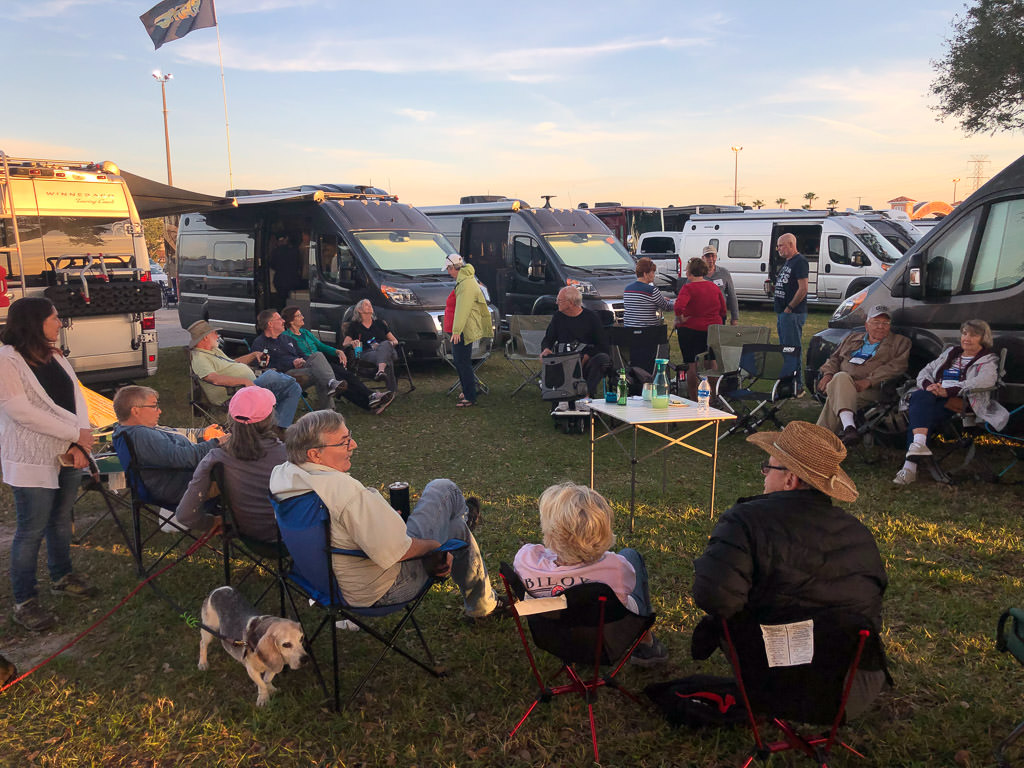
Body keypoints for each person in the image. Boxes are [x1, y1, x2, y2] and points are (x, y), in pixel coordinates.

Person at [692, 421, 888, 718]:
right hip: (850, 690)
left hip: (771, 682)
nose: (764, 474)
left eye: (768, 467)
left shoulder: (744, 521)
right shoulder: (859, 534)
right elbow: (872, 613)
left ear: (790, 480)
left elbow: (714, 597)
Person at [268, 410, 504, 622]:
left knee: (456, 529)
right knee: (442, 489)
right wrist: (435, 546)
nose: (354, 445)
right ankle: (464, 518)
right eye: (344, 441)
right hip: (381, 591)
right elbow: (399, 551)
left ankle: (482, 602)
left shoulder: (282, 476)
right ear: (315, 454)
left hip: (324, 585)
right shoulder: (344, 492)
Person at [0, 297, 97, 631]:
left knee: (60, 519)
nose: (60, 322)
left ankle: (62, 575)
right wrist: (75, 435)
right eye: (55, 317)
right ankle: (25, 601)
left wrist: (81, 439)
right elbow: (20, 411)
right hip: (32, 457)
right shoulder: (7, 360)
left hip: (70, 451)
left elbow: (76, 397)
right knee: (31, 529)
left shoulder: (56, 356)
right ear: (34, 321)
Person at [513, 482, 667, 666]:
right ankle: (647, 644)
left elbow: (539, 551)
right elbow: (627, 586)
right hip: (606, 638)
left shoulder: (525, 561)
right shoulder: (616, 567)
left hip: (555, 637)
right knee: (631, 554)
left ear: (550, 531)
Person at [893, 319, 1009, 486]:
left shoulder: (988, 360)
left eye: (973, 335)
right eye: (964, 334)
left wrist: (949, 390)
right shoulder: (951, 353)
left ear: (983, 338)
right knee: (922, 400)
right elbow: (926, 370)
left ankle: (910, 467)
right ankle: (918, 446)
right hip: (935, 395)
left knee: (919, 411)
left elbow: (985, 381)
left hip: (962, 401)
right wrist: (929, 385)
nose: (967, 338)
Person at [176, 386, 286, 544]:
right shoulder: (290, 455)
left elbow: (185, 515)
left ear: (231, 418)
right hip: (292, 539)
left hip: (247, 536)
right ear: (270, 418)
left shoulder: (216, 457)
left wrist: (212, 522)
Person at [112, 385, 226, 505]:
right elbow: (185, 458)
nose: (159, 411)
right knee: (237, 472)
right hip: (186, 487)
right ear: (136, 411)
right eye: (154, 406)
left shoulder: (131, 430)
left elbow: (177, 434)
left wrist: (204, 434)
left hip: (182, 479)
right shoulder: (142, 435)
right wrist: (218, 443)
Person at [816, 305, 911, 446]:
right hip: (841, 382)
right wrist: (828, 374)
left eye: (885, 323)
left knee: (836, 394)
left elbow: (897, 366)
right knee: (841, 378)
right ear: (867, 325)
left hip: (870, 389)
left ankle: (818, 441)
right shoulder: (852, 338)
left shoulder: (900, 342)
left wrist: (869, 380)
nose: (881, 326)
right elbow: (834, 358)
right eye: (876, 322)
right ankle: (847, 429)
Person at [280, 305, 393, 414]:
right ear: (291, 321)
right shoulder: (286, 336)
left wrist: (337, 351)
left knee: (347, 376)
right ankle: (370, 402)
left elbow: (321, 346)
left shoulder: (305, 333)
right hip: (307, 365)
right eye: (299, 315)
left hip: (321, 362)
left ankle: (372, 397)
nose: (302, 317)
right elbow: (291, 355)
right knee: (339, 381)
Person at [188, 320, 302, 427]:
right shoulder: (200, 358)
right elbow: (214, 378)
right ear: (206, 337)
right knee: (270, 375)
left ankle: (279, 428)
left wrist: (254, 354)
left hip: (247, 387)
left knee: (294, 388)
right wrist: (244, 381)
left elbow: (234, 363)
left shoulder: (213, 351)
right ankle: (293, 378)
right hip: (233, 394)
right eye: (214, 333)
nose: (217, 336)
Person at [251, 309, 342, 412]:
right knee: (320, 371)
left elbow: (303, 355)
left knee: (318, 358)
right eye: (279, 319)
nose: (283, 321)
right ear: (270, 324)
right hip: (283, 375)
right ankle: (330, 403)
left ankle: (329, 404)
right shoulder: (260, 343)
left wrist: (301, 361)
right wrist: (291, 363)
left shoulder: (287, 339)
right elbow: (262, 367)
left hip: (301, 370)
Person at [541, 285, 613, 398]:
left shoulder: (591, 318)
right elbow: (548, 339)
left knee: (603, 358)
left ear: (571, 303)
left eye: (560, 300)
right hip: (564, 359)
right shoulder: (558, 317)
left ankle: (586, 394)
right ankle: (561, 397)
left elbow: (603, 345)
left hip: (586, 359)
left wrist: (588, 355)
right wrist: (546, 349)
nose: (556, 303)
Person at [674, 257, 726, 401]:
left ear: (690, 272)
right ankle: (714, 395)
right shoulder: (714, 287)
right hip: (712, 329)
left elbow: (678, 307)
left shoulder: (688, 288)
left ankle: (694, 397)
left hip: (691, 329)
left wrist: (680, 318)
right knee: (711, 362)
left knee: (692, 364)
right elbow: (723, 309)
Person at [445, 253, 493, 408]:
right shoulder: (465, 280)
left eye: (449, 269)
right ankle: (468, 390)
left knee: (462, 362)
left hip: (462, 330)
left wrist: (456, 331)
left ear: (454, 267)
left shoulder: (465, 283)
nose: (448, 272)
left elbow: (463, 309)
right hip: (462, 328)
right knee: (462, 361)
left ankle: (470, 395)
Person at [622, 256, 672, 374]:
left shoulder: (627, 289)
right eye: (652, 272)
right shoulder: (651, 290)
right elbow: (666, 307)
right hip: (648, 334)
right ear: (645, 274)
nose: (654, 275)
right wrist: (677, 302)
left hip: (630, 333)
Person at [342, 299, 401, 392]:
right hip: (368, 353)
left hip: (387, 349)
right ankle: (391, 391)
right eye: (366, 305)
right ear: (359, 310)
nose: (370, 306)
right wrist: (352, 343)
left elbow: (395, 340)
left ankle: (381, 371)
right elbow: (345, 343)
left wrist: (390, 344)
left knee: (385, 344)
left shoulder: (380, 324)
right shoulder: (354, 326)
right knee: (387, 358)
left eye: (370, 304)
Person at [773, 233, 809, 385]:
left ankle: (796, 385)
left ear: (791, 244)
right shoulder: (788, 262)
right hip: (783, 312)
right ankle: (788, 381)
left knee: (792, 349)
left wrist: (790, 307)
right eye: (778, 246)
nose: (778, 249)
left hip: (792, 314)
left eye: (781, 245)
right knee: (785, 349)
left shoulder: (799, 261)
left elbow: (803, 288)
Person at [699, 245, 740, 326]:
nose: (711, 259)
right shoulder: (697, 273)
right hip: (701, 315)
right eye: (708, 256)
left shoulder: (724, 272)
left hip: (719, 315)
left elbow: (732, 296)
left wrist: (734, 318)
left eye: (713, 256)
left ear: (716, 257)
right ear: (703, 258)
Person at [268, 233, 303, 302]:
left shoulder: (276, 251)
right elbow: (299, 265)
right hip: (293, 280)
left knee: (281, 300)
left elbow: (272, 265)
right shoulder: (295, 251)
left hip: (279, 281)